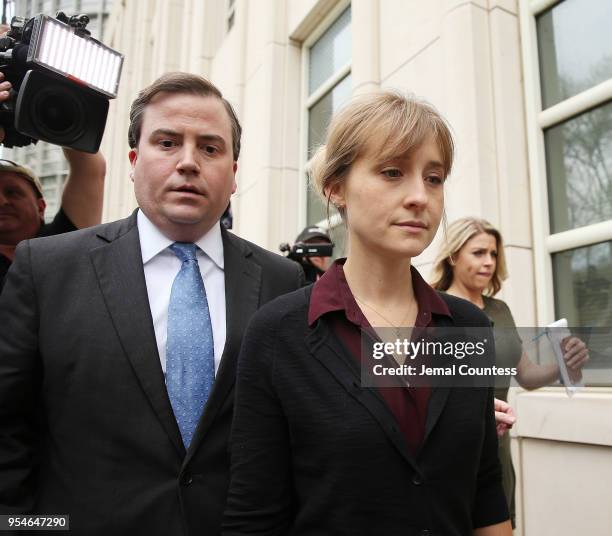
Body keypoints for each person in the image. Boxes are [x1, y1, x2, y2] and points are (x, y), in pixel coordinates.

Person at [0, 72, 303, 535]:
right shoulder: (47, 268)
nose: (188, 162)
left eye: (210, 147)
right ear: (134, 160)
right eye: (167, 143)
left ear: (234, 174)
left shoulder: (283, 281)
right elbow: (8, 429)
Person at [223, 92, 512, 535]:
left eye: (433, 178)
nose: (420, 196)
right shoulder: (279, 333)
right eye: (392, 172)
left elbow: (483, 489)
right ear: (335, 187)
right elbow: (254, 516)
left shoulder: (467, 326)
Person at [430, 216, 589, 528]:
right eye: (478, 253)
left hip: (496, 450)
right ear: (453, 256)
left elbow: (526, 375)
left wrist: (564, 366)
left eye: (493, 254)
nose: (489, 262)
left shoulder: (500, 310)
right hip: (447, 451)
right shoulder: (432, 307)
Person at [0, 74, 106, 292]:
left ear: (41, 206)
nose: (2, 201)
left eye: (13, 192)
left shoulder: (64, 243)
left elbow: (90, 170)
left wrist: (57, 105)